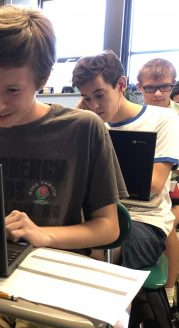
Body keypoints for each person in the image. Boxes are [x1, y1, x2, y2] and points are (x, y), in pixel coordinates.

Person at [0, 7, 127, 328]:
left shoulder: (83, 129)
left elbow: (109, 227)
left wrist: (45, 234)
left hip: (58, 280)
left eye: (12, 90)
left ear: (41, 80)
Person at [72, 50, 179, 273]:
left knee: (94, 255)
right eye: (87, 98)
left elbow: (154, 185)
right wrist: (75, 123)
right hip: (96, 214)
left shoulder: (163, 119)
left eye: (100, 95)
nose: (94, 105)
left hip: (143, 221)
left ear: (121, 85)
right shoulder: (92, 123)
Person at [136, 58, 179, 311]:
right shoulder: (137, 117)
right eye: (151, 88)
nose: (158, 93)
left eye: (164, 87)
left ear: (172, 85)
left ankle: (169, 290)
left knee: (169, 224)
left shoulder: (172, 119)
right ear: (140, 88)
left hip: (170, 188)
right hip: (156, 189)